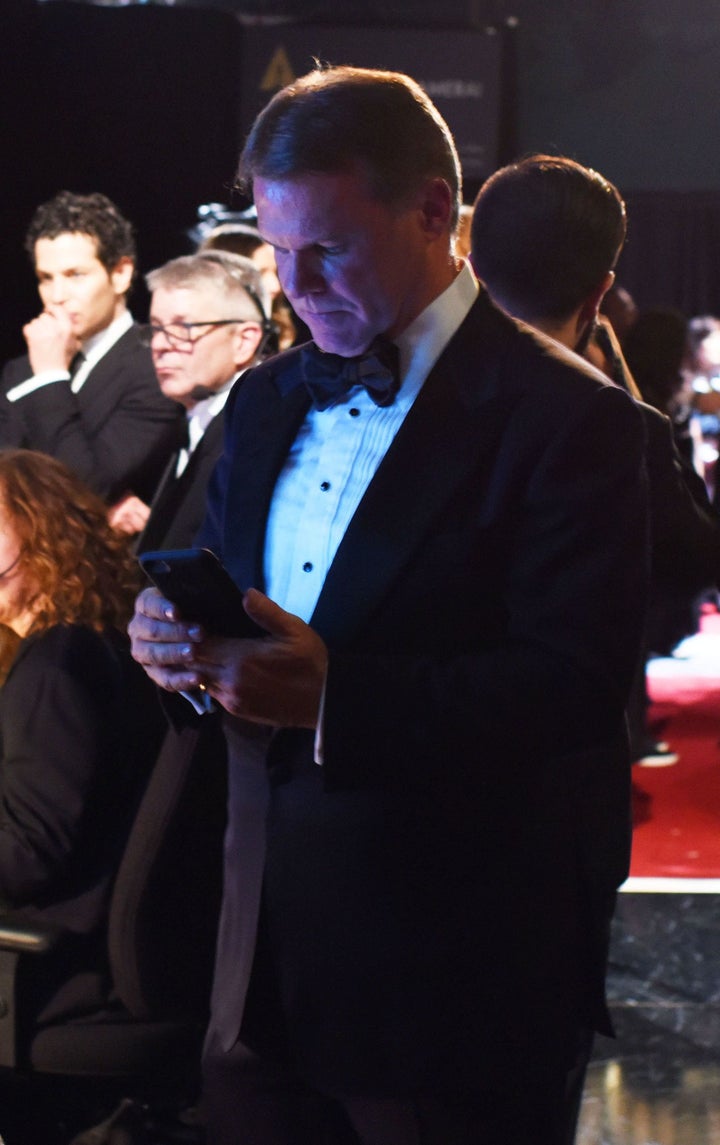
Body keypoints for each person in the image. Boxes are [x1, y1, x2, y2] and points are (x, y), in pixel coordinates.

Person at [129, 66, 649, 1145]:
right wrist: (177, 650)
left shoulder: (568, 417)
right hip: (254, 964)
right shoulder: (269, 393)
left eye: (327, 247)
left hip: (452, 983)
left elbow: (577, 689)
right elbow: (238, 616)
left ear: (430, 214)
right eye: (275, 248)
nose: (294, 282)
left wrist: (338, 699)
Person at [470, 153, 720, 768]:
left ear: (470, 267)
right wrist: (627, 396)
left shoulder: (399, 393)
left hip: (397, 762)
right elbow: (691, 558)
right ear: (601, 291)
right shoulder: (619, 421)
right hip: (561, 775)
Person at [0, 449, 165, 1023]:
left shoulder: (55, 666)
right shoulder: (95, 638)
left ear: (38, 529)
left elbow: (27, 854)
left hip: (50, 971)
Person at [0, 191, 184, 521]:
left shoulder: (157, 365)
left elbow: (83, 487)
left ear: (121, 274)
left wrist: (50, 377)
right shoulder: (21, 370)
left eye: (75, 275)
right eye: (46, 278)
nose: (57, 296)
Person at [114, 249, 272, 549]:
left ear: (244, 341)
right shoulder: (192, 423)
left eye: (184, 328)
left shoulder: (253, 433)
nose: (160, 344)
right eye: (157, 328)